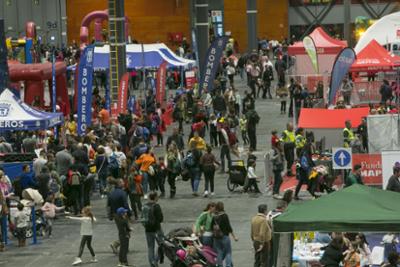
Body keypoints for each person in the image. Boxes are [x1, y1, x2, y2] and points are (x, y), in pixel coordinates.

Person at [108, 179, 131, 254]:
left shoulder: (111, 193)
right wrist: (130, 213)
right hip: (122, 214)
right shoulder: (123, 193)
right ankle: (117, 245)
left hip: (115, 214)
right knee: (125, 232)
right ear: (119, 184)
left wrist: (110, 215)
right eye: (122, 182)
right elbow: (125, 205)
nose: (124, 183)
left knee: (122, 231)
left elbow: (109, 205)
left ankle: (123, 247)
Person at [212, 201, 238, 267]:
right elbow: (228, 227)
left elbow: (211, 226)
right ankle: (228, 265)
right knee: (228, 252)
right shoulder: (224, 216)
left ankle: (220, 265)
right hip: (225, 236)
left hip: (216, 237)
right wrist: (234, 237)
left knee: (219, 252)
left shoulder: (214, 216)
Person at [142, 192, 164, 267]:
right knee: (161, 244)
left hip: (148, 230)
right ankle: (156, 260)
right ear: (154, 197)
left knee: (150, 247)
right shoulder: (156, 206)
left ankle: (152, 262)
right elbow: (160, 219)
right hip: (157, 229)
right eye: (157, 197)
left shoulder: (145, 206)